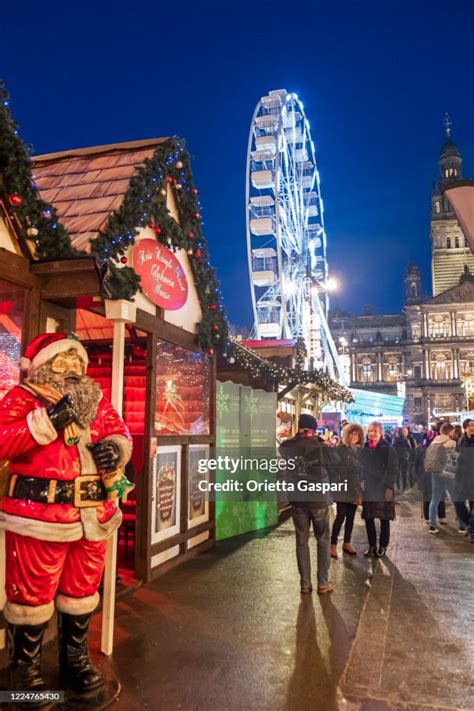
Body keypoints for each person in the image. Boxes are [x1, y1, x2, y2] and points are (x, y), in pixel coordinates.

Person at [0, 333, 132, 698]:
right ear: (43, 365)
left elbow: (120, 431)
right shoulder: (23, 398)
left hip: (93, 514)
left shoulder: (96, 400)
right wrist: (46, 422)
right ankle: (24, 671)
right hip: (40, 514)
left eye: (78, 361)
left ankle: (74, 660)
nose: (72, 367)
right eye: (63, 360)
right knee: (32, 595)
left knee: (82, 591)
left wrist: (116, 449)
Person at [279, 414, 337, 595]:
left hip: (298, 500)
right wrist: (320, 440)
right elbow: (335, 460)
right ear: (314, 429)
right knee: (323, 540)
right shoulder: (321, 447)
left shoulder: (287, 447)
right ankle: (323, 583)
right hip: (319, 500)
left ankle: (305, 584)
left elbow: (284, 446)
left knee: (302, 541)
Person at [360, 421, 398, 557]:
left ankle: (383, 546)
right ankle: (371, 546)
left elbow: (393, 468)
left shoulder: (387, 447)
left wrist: (389, 486)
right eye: (370, 431)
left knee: (384, 517)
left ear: (380, 432)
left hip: (383, 487)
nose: (372, 433)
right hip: (369, 487)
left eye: (375, 431)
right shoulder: (365, 447)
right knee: (369, 517)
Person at [330, 423, 363, 559]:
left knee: (351, 516)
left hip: (354, 488)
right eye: (352, 434)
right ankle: (332, 544)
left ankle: (347, 542)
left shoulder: (360, 451)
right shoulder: (339, 449)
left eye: (357, 434)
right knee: (340, 516)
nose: (354, 437)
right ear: (347, 435)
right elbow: (332, 468)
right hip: (342, 486)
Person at [426, 422, 463, 533]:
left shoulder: (434, 441)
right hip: (448, 473)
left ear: (441, 431)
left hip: (435, 472)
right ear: (450, 431)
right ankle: (462, 525)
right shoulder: (452, 442)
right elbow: (453, 460)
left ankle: (432, 526)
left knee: (435, 499)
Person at [415, 430, 446, 523]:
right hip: (439, 475)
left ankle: (427, 517)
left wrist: (418, 477)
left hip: (425, 476)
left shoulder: (421, 448)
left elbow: (416, 464)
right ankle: (441, 516)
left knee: (427, 496)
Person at [455, 418, 474, 542]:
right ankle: (469, 525)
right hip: (463, 478)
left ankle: (472, 531)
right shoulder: (461, 441)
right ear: (465, 428)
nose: (472, 427)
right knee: (458, 503)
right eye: (470, 425)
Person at [393, 427, 411, 491]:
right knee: (404, 473)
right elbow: (410, 449)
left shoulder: (395, 440)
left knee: (397, 474)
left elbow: (393, 449)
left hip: (397, 458)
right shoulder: (406, 440)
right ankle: (404, 488)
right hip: (405, 458)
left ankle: (398, 488)